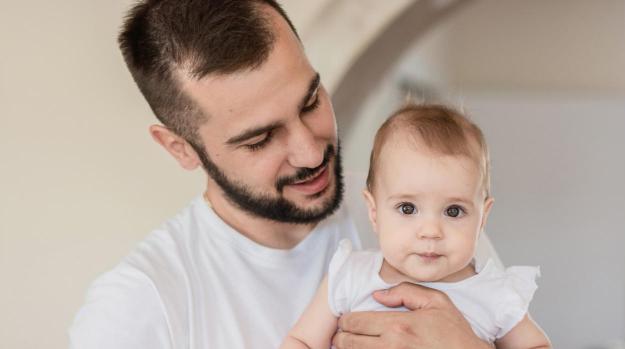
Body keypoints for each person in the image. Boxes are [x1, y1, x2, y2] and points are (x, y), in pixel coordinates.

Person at [69, 1, 498, 348]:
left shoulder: (421, 214)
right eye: (260, 139)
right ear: (180, 148)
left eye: (310, 102)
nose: (311, 153)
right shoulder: (139, 306)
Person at [282, 105, 551, 349]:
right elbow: (302, 341)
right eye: (407, 208)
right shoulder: (350, 274)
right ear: (374, 212)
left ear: (482, 218)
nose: (431, 231)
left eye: (453, 211)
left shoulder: (494, 294)